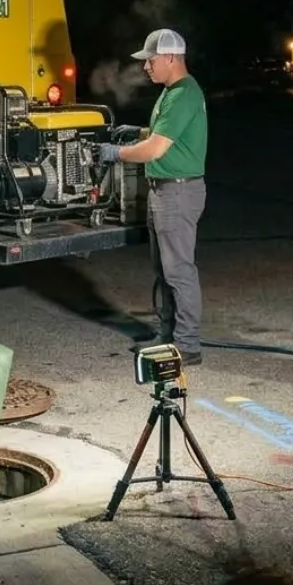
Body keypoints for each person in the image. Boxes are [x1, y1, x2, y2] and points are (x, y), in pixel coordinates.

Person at [97, 28, 209, 366]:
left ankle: (187, 345)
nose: (146, 67)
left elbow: (157, 148)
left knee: (179, 272)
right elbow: (160, 134)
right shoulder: (170, 93)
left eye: (151, 60)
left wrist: (116, 152)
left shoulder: (183, 94)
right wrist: (135, 132)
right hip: (165, 190)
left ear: (171, 58)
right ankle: (167, 335)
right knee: (164, 270)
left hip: (178, 190)